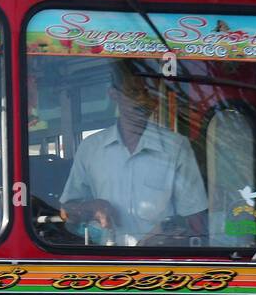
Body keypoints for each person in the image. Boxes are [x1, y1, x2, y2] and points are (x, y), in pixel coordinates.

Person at [60, 64, 207, 245]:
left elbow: (195, 220)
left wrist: (167, 232)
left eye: (150, 93)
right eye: (134, 92)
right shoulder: (90, 148)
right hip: (104, 263)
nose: (143, 101)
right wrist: (92, 207)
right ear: (114, 94)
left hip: (161, 265)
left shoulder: (176, 147)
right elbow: (66, 211)